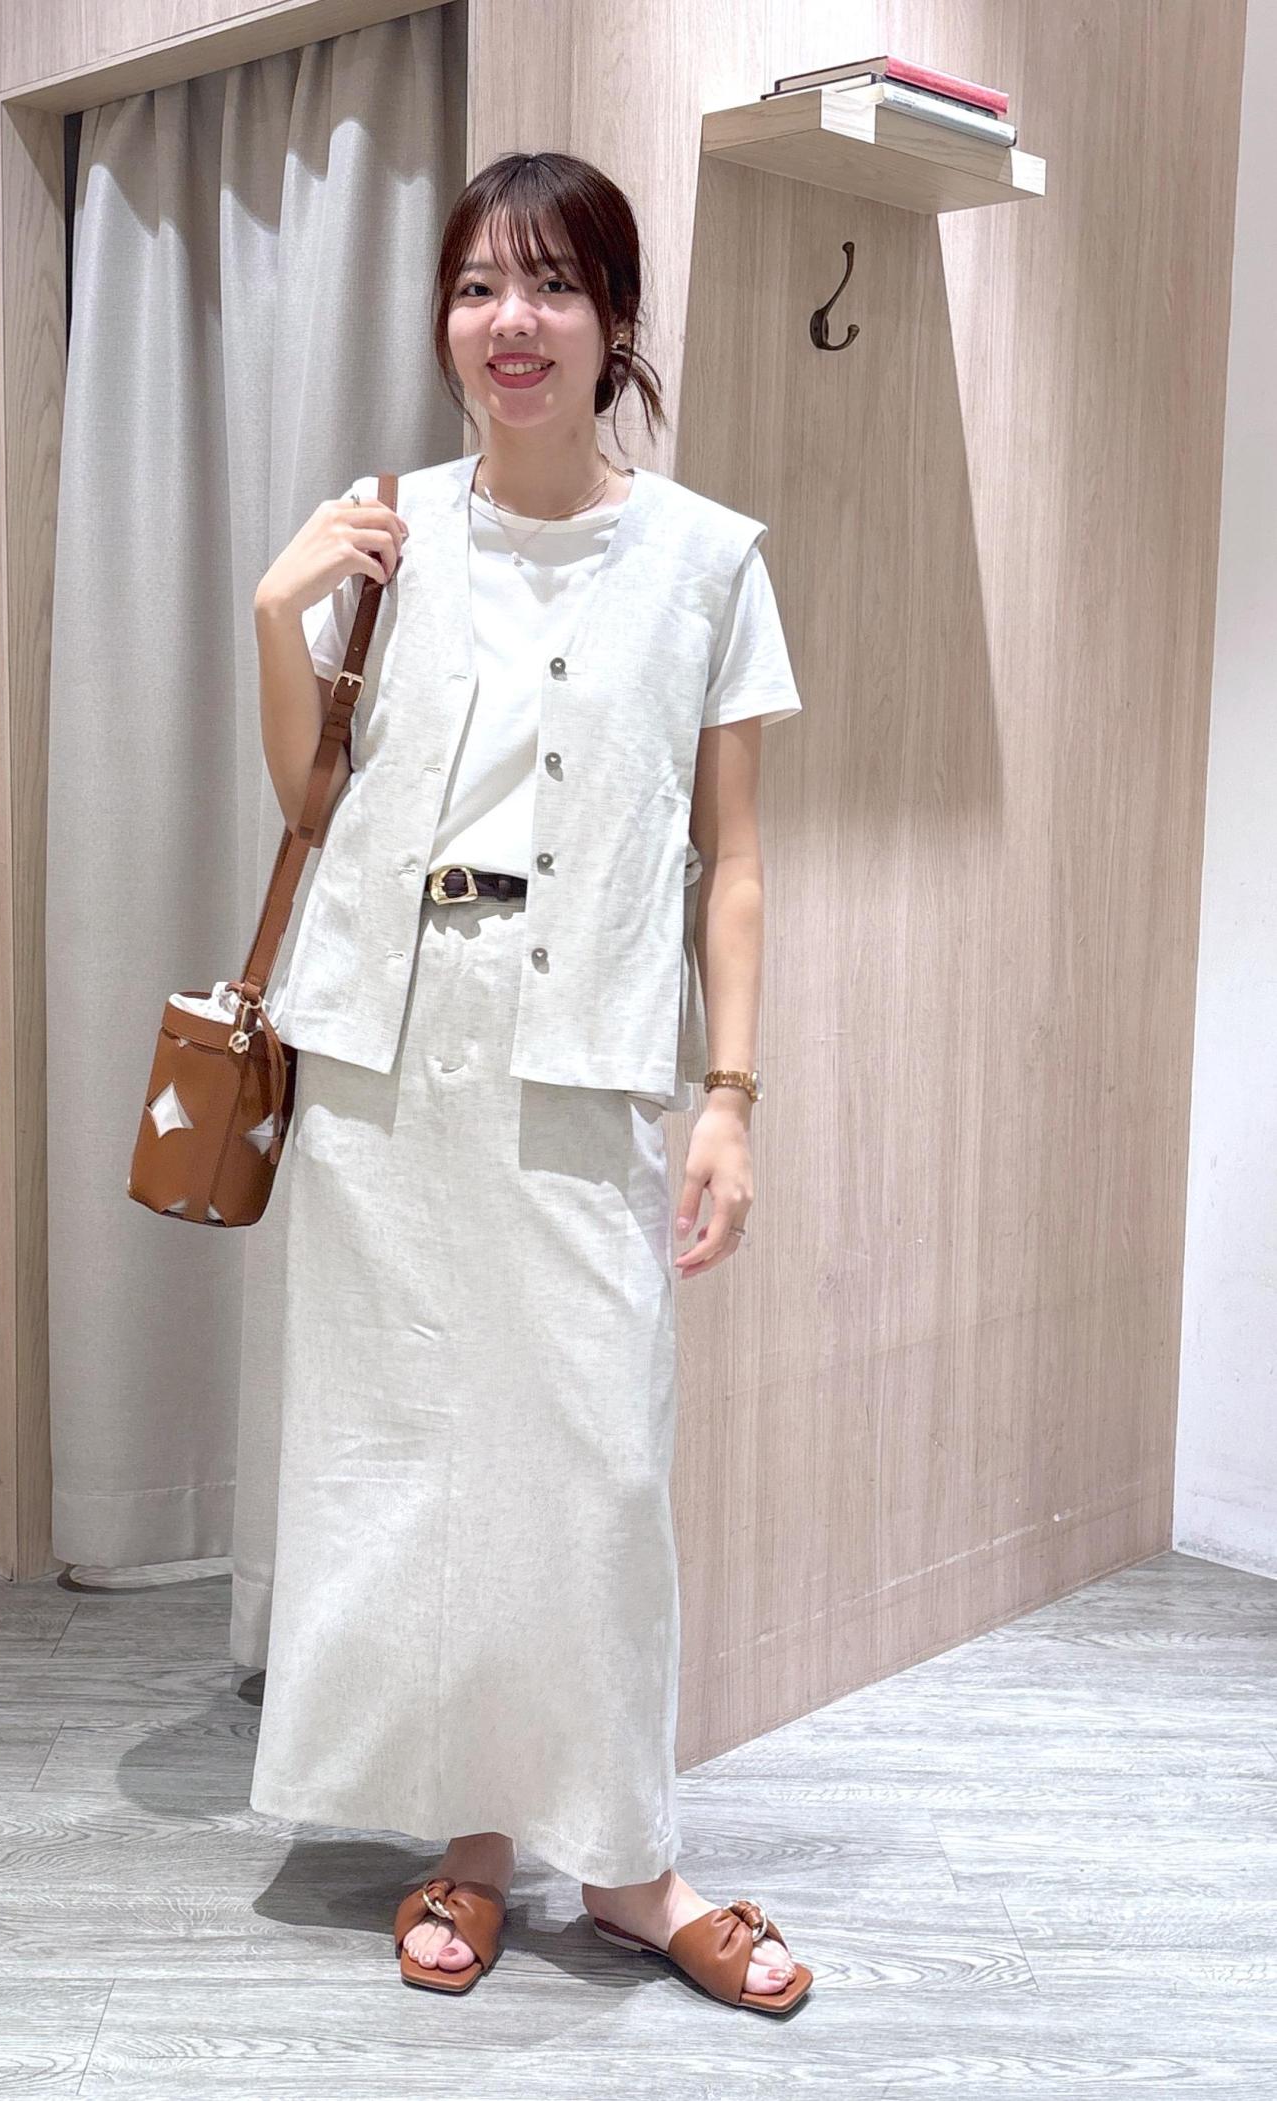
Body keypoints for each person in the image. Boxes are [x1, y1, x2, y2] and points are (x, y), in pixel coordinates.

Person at [247, 149, 811, 2017]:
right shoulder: (389, 534)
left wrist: (730, 1093)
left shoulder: (709, 560)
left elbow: (733, 859)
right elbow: (313, 806)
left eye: (555, 284)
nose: (514, 320)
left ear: (615, 320)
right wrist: (274, 615)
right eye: (481, 284)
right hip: (392, 1059)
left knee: (594, 1464)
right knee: (421, 1455)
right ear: (446, 318)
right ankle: (477, 1839)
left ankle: (632, 1863)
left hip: (588, 1052)